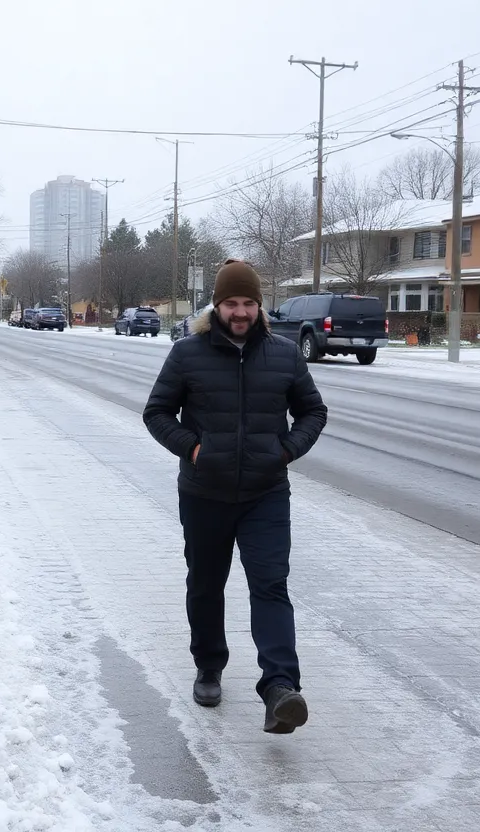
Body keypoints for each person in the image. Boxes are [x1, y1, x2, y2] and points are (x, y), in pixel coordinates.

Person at [143, 260, 328, 735]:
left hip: (266, 494)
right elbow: (157, 412)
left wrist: (286, 451)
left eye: (248, 303)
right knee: (207, 584)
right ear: (217, 306)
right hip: (205, 492)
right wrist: (194, 447)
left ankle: (280, 687)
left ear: (259, 306)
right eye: (231, 303)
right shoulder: (187, 354)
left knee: (270, 585)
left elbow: (313, 412)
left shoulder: (285, 354)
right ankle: (209, 666)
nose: (241, 312)